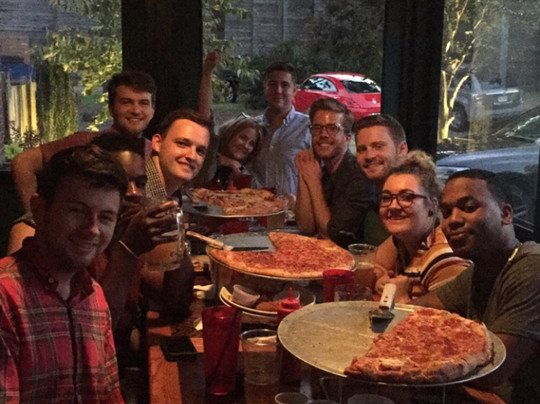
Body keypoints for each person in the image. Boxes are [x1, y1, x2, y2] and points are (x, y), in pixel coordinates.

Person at [7, 52, 220, 255]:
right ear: (111, 108)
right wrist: (38, 216)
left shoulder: (152, 151)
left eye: (143, 103)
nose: (136, 110)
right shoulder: (87, 142)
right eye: (126, 102)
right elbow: (22, 162)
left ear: (152, 110)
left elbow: (200, 128)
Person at [0, 144, 126, 402]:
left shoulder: (94, 295)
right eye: (77, 211)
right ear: (39, 209)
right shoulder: (5, 296)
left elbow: (110, 395)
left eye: (105, 217)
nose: (93, 229)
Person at [414, 169, 540, 404]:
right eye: (446, 212)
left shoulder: (532, 269)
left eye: (469, 207)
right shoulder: (481, 267)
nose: (453, 220)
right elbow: (415, 312)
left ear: (505, 214)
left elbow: (492, 371)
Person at [373, 151, 469, 302]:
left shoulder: (443, 260)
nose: (393, 206)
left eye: (407, 197)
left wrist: (401, 299)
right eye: (386, 198)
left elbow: (446, 316)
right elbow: (375, 264)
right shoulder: (402, 239)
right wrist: (381, 278)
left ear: (433, 205)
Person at [143, 108, 211, 320]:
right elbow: (159, 281)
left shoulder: (167, 190)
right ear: (157, 142)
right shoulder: (143, 193)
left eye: (200, 151)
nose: (191, 156)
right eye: (182, 143)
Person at [294, 98, 376, 248]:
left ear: (347, 138)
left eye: (332, 128)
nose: (323, 134)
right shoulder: (321, 169)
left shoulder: (358, 176)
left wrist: (313, 182)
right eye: (317, 128)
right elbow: (306, 227)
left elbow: (333, 237)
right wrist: (303, 172)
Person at [251, 61, 311, 197]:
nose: (278, 90)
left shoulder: (308, 128)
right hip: (256, 207)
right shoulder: (252, 128)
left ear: (294, 90)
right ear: (265, 88)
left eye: (285, 85)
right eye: (273, 84)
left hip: (295, 209)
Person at [353, 114, 409, 245]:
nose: (369, 156)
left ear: (402, 150)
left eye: (378, 146)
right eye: (362, 149)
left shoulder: (414, 198)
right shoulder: (371, 193)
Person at [206, 115, 264, 189]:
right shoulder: (208, 154)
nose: (246, 146)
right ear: (230, 134)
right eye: (243, 138)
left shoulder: (248, 168)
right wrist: (216, 161)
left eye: (251, 144)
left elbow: (259, 192)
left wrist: (240, 170)